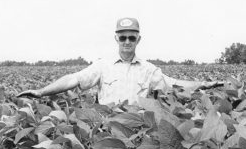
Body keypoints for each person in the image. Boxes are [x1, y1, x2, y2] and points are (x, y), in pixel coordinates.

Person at [17, 17, 222, 104]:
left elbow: (175, 85)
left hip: (135, 129)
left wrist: (204, 85)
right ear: (116, 38)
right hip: (108, 128)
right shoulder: (102, 66)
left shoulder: (149, 70)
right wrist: (41, 91)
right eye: (122, 37)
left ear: (138, 39)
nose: (126, 41)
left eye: (131, 37)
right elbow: (73, 79)